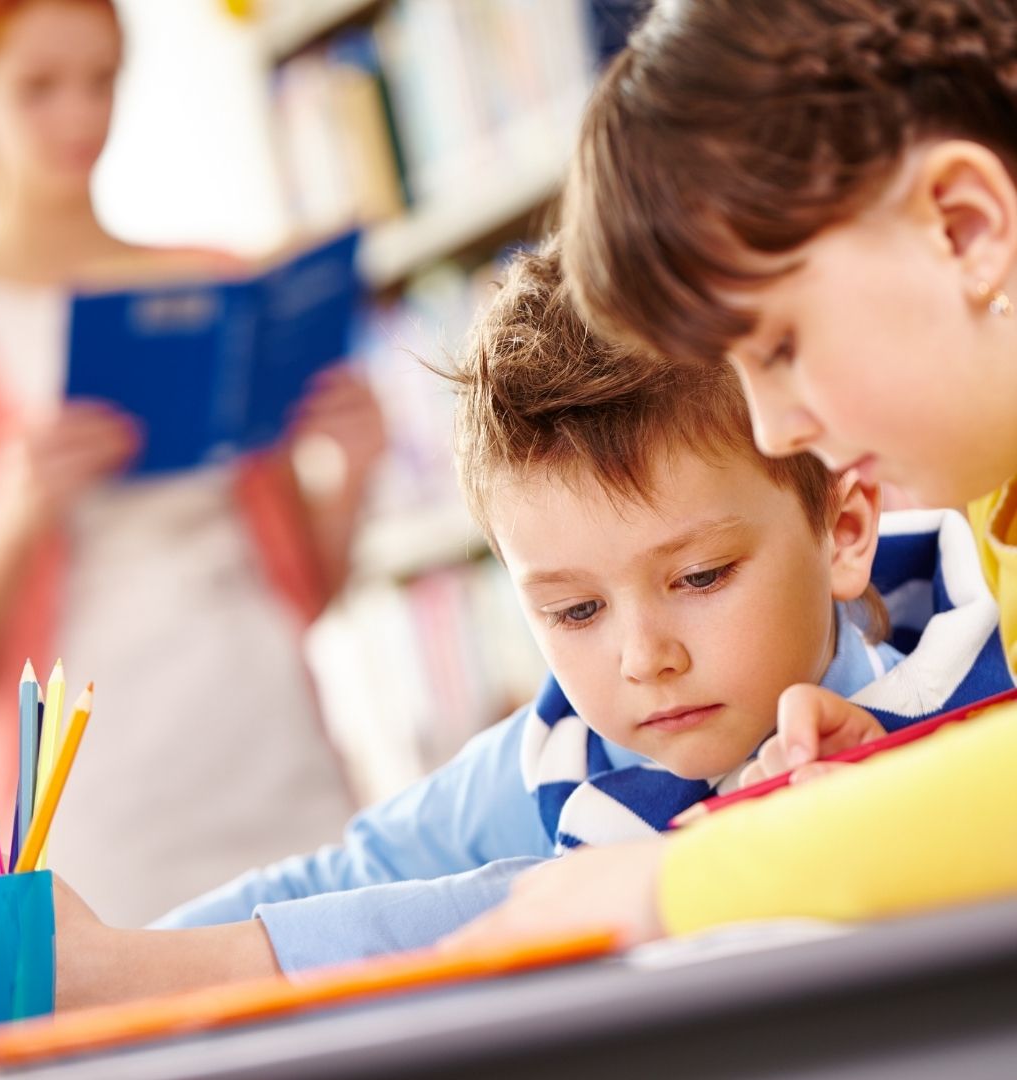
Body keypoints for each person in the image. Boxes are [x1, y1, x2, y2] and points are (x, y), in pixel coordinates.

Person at [52, 243, 1004, 1008]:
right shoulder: (553, 750)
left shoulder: (953, 719)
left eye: (702, 576)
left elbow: (520, 916)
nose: (644, 659)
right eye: (575, 610)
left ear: (842, 530)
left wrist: (139, 970)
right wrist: (116, 964)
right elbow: (355, 873)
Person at [444, 0, 1017, 953]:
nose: (774, 426)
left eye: (782, 344)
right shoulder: (994, 500)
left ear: (961, 229)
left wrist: (687, 882)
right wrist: (896, 781)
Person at [0, 0, 384, 924]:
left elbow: (306, 590)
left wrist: (355, 473)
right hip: (96, 798)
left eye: (101, 81)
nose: (79, 119)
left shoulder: (218, 283)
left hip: (275, 748)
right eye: (39, 88)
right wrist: (14, 513)